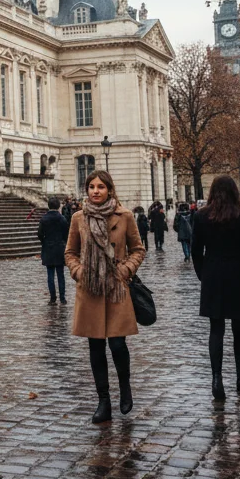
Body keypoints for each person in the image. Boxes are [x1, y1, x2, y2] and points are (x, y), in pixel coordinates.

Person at [65, 171, 146, 424]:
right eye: (91, 186)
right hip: (90, 290)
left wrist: (124, 270)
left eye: (100, 187)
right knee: (96, 348)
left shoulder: (125, 216)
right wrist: (80, 272)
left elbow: (138, 250)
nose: (95, 191)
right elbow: (70, 252)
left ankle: (125, 387)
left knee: (118, 345)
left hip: (116, 289)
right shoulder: (78, 217)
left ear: (110, 190)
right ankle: (103, 401)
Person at [191, 175, 240, 400]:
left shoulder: (201, 216)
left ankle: (217, 378)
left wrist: (203, 274)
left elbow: (196, 250)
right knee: (239, 330)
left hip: (213, 274)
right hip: (238, 274)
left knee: (216, 329)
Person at [38, 198, 70, 304]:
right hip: (60, 248)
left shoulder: (44, 219)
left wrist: (45, 242)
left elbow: (40, 234)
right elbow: (66, 234)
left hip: (48, 248)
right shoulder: (62, 219)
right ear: (58, 206)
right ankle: (62, 298)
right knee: (60, 274)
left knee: (50, 275)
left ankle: (52, 298)